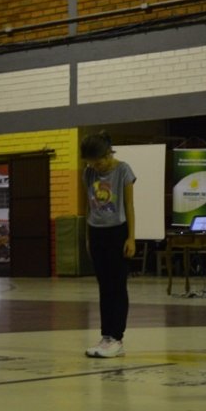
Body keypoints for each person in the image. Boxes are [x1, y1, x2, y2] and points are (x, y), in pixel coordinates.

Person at [81, 131, 136, 358]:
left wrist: (131, 237)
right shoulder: (89, 173)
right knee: (104, 287)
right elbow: (89, 206)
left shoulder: (123, 170)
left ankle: (117, 338)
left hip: (117, 232)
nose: (97, 166)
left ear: (108, 153)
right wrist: (87, 236)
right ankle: (106, 336)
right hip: (97, 233)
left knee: (117, 286)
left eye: (99, 161)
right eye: (91, 163)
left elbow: (129, 205)